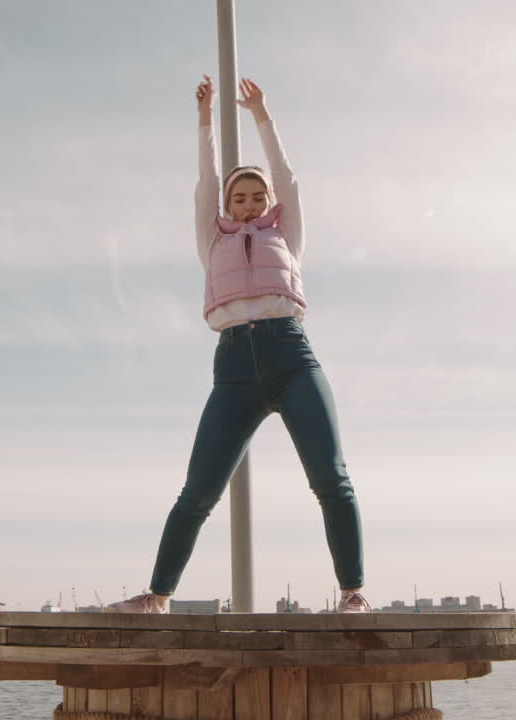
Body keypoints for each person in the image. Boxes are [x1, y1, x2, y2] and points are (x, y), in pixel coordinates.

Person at [107, 77, 368, 614]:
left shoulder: (287, 234)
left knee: (330, 478)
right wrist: (205, 119)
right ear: (227, 205)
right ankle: (157, 597)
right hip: (233, 371)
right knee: (198, 491)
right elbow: (205, 180)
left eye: (257, 197)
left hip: (293, 358)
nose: (248, 206)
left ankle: (353, 594)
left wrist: (261, 115)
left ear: (270, 203)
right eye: (238, 198)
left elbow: (289, 177)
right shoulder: (214, 239)